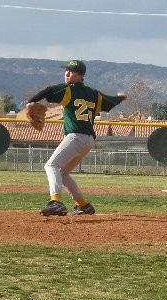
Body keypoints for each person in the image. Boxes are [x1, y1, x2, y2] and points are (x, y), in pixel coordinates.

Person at [27, 60, 126, 216]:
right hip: (88, 140)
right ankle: (83, 205)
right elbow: (111, 102)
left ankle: (56, 202)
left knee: (51, 166)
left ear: (80, 76)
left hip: (75, 136)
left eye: (70, 71)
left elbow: (48, 91)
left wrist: (31, 101)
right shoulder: (94, 94)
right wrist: (121, 97)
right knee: (63, 173)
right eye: (66, 71)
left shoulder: (69, 90)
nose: (66, 73)